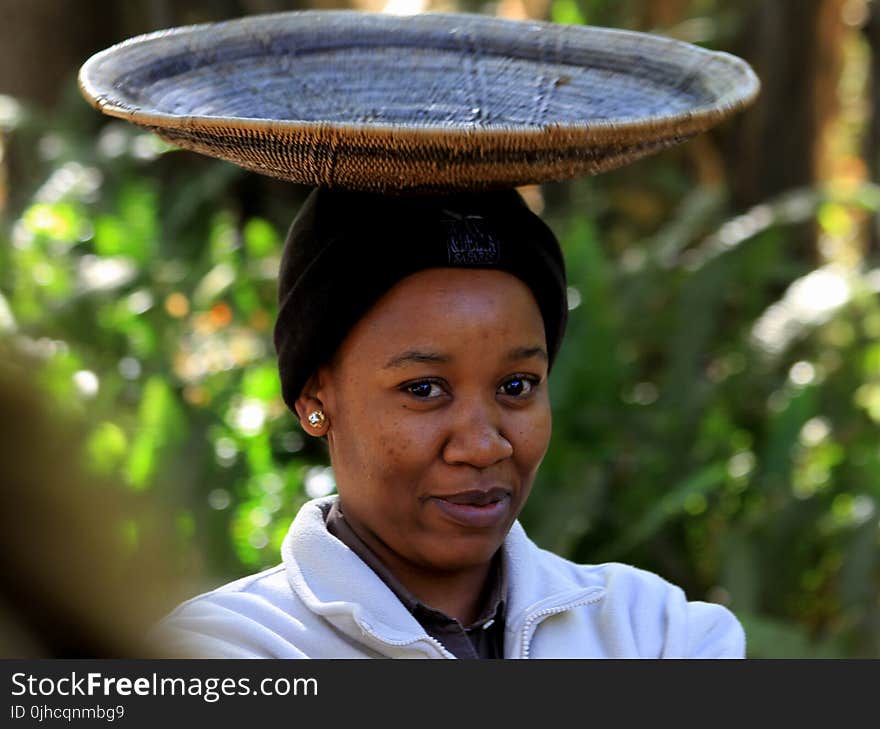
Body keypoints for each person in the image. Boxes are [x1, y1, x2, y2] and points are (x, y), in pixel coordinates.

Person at [153, 186, 746, 659]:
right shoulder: (227, 650)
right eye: (424, 389)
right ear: (316, 395)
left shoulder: (654, 631)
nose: (483, 446)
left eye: (517, 387)